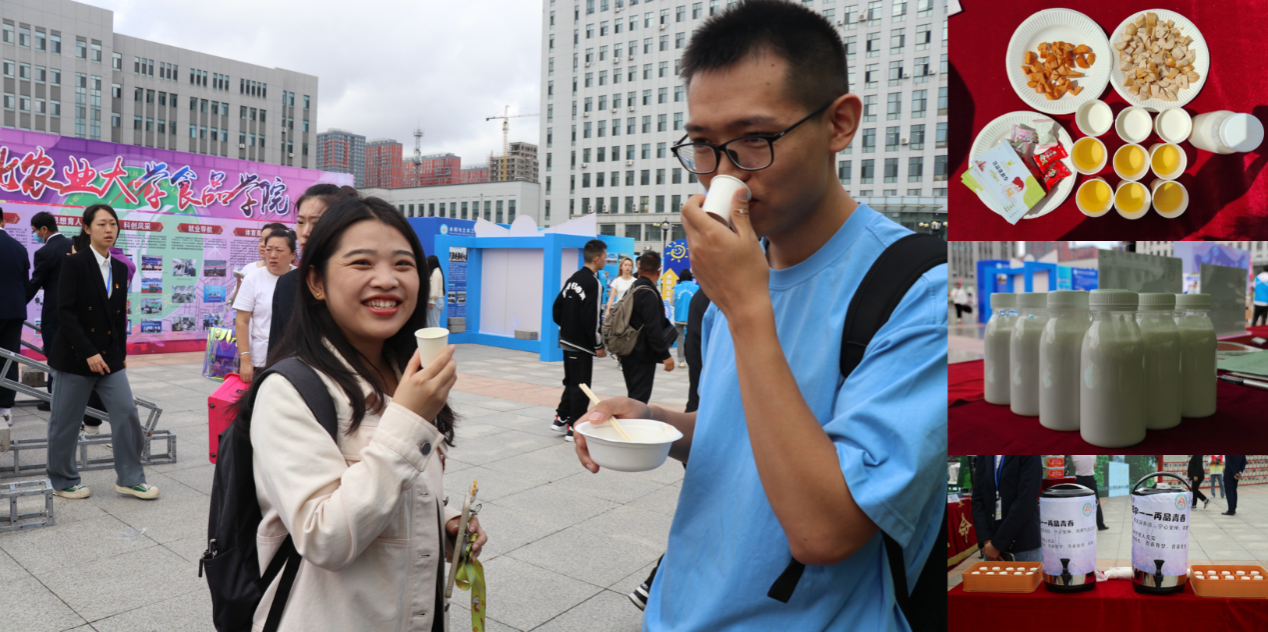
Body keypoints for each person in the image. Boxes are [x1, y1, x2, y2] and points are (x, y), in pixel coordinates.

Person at [574, 4, 945, 628]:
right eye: (702, 145)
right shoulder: (741, 274)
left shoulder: (922, 293)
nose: (724, 175)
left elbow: (827, 530)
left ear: (839, 123)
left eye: (755, 139)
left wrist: (748, 307)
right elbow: (739, 433)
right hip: (680, 609)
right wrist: (656, 422)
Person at [239, 195, 486, 631]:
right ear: (316, 282)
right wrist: (410, 420)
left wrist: (443, 521)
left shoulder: (402, 372)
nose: (387, 280)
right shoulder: (289, 389)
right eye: (361, 263)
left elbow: (390, 483)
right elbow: (324, 537)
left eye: (403, 264)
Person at [45, 204, 157, 500]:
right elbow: (65, 312)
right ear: (87, 228)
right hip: (74, 356)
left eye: (113, 224)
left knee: (126, 412)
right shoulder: (74, 263)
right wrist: (88, 352)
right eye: (101, 224)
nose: (109, 230)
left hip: (109, 357)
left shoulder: (119, 267)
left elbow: (117, 316)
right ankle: (63, 480)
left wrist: (120, 354)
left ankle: (130, 478)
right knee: (66, 421)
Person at [267, 184, 358, 362]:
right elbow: (276, 350)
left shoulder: (358, 281)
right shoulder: (287, 283)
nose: (306, 232)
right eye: (301, 222)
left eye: (316, 223)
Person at [551, 240, 609, 441]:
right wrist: (598, 344)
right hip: (581, 343)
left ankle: (561, 417)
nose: (606, 260)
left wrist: (568, 326)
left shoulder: (573, 278)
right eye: (605, 257)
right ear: (597, 259)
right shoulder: (594, 283)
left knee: (571, 381)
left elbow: (557, 308)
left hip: (567, 340)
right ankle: (574, 426)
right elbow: (592, 318)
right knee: (581, 385)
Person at [233, 229, 297, 383]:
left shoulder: (301, 279)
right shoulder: (253, 279)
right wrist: (245, 360)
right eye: (269, 250)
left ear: (293, 255)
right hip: (261, 359)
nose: (272, 255)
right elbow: (241, 321)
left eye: (279, 250)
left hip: (295, 357)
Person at [26, 212, 74, 412]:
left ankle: (54, 398)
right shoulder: (74, 245)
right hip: (76, 313)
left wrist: (18, 303)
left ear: (44, 229)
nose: (35, 235)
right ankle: (72, 397)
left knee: (55, 358)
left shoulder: (44, 252)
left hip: (54, 314)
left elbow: (35, 283)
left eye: (35, 231)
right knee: (73, 356)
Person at [619, 251, 675, 404]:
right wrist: (665, 355)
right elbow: (653, 328)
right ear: (659, 271)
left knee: (634, 396)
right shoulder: (649, 293)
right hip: (642, 356)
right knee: (639, 401)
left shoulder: (633, 288)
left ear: (639, 268)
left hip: (628, 351)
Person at [972, 456, 1042, 562]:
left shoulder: (1029, 451)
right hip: (990, 547)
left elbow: (1025, 500)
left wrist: (997, 544)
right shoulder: (985, 453)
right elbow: (977, 499)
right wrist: (987, 541)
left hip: (1022, 545)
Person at [0, 208, 28, 426]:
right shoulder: (18, 247)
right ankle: (5, 409)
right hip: (14, 311)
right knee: (9, 358)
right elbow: (25, 282)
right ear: (3, 221)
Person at [231, 221, 288, 303]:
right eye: (260, 240)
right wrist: (238, 289)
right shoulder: (249, 269)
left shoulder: (293, 273)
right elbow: (231, 302)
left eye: (267, 240)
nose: (262, 244)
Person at [670, 269, 698, 369]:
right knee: (691, 339)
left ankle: (681, 361)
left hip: (678, 317)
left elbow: (672, 302)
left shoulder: (676, 288)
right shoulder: (696, 288)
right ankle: (691, 359)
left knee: (680, 339)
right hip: (691, 317)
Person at [1071, 455, 1108, 530]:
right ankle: (1100, 525)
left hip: (1079, 480)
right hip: (1090, 480)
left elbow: (1075, 465)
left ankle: (1081, 526)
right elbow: (1094, 466)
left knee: (1079, 503)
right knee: (1096, 502)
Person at [426, 254, 444, 328]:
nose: (426, 263)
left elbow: (434, 288)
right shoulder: (436, 272)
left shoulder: (436, 273)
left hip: (435, 301)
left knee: (433, 325)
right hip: (437, 301)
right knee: (430, 324)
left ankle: (438, 336)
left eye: (427, 262)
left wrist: (431, 301)